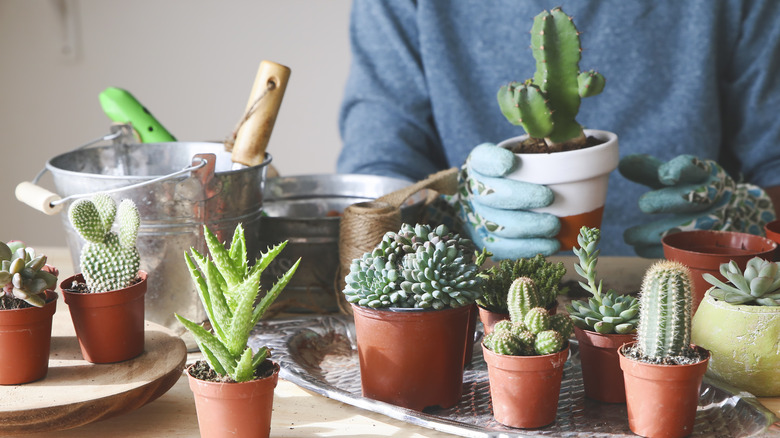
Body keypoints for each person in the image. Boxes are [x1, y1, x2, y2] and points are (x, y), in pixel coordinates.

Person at [337, 0, 780, 258]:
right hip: (484, 318)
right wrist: (452, 215)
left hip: (697, 311)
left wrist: (749, 219)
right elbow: (378, 177)